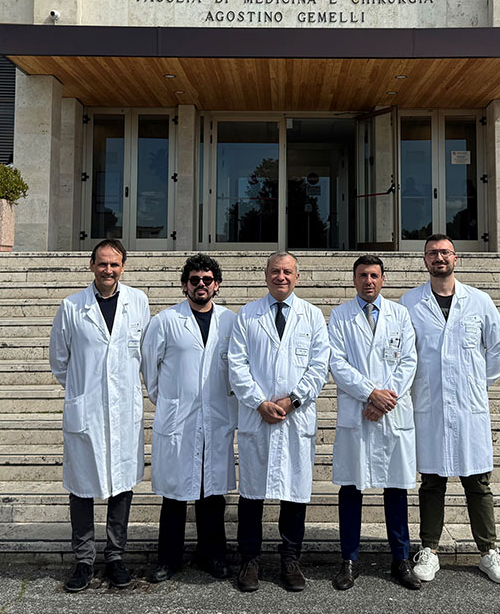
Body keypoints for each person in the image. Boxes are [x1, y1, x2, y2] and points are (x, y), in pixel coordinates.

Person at [399, 234, 500, 585]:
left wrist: (476, 384)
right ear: (424, 260)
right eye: (432, 253)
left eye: (445, 252)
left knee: (477, 482)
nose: (439, 258)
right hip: (430, 404)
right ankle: (429, 550)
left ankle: (488, 551)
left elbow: (498, 349)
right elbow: (402, 353)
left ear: (455, 258)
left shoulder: (479, 301)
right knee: (432, 481)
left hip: (468, 406)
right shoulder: (410, 303)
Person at [49, 239, 150, 592]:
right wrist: (84, 391)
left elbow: (144, 353)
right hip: (87, 410)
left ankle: (115, 557)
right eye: (103, 263)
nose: (109, 270)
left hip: (124, 410)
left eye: (115, 264)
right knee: (81, 486)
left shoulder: (138, 302)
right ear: (91, 265)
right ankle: (83, 560)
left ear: (123, 267)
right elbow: (59, 361)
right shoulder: (72, 306)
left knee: (122, 484)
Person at [227, 251, 330, 592]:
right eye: (275, 271)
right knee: (252, 495)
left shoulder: (312, 316)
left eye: (287, 272)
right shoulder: (248, 315)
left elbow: (319, 366)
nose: (281, 277)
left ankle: (290, 560)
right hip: (257, 416)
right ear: (266, 275)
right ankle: (250, 561)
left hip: (295, 418)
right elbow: (236, 364)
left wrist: (293, 399)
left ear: (297, 277)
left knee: (294, 494)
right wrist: (259, 402)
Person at [141, 254, 237, 582]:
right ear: (185, 285)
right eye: (194, 280)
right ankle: (168, 559)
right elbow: (149, 369)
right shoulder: (166, 321)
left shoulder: (230, 321)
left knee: (212, 494)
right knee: (175, 494)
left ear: (217, 285)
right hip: (178, 420)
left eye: (207, 280)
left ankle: (213, 556)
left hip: (216, 419)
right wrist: (170, 401)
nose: (201, 285)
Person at [327, 255, 421, 591]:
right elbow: (337, 363)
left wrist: (384, 400)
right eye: (363, 275)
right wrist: (370, 394)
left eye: (374, 275)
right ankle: (349, 560)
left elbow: (408, 360)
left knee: (396, 489)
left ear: (383, 279)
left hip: (391, 412)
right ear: (354, 279)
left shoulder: (400, 314)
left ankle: (401, 559)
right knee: (351, 488)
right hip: (358, 410)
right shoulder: (340, 316)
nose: (369, 281)